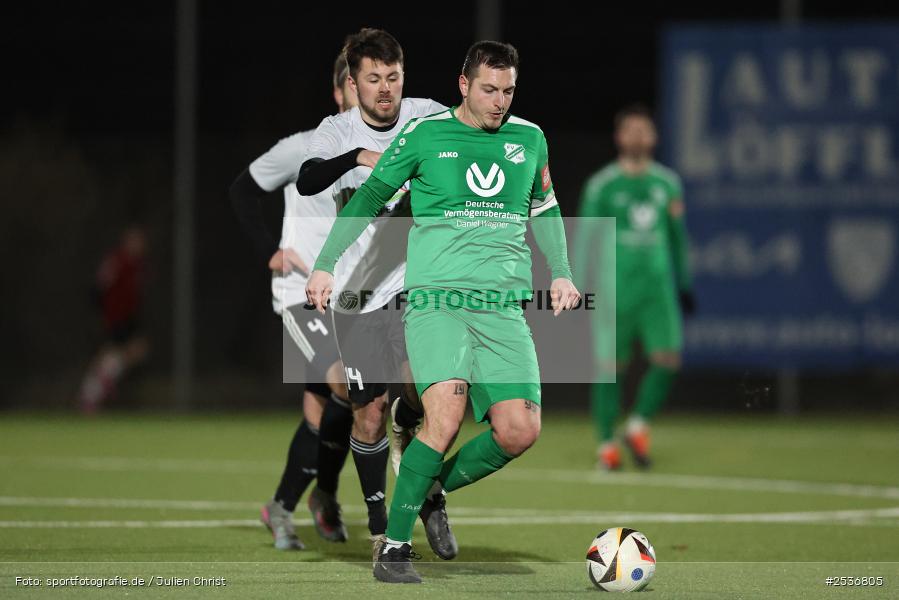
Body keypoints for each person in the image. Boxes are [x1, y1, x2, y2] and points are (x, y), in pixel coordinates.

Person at [306, 40, 580, 584]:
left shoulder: (529, 138)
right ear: (463, 84)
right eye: (488, 90)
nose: (499, 101)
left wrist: (564, 271)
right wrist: (326, 264)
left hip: (503, 309)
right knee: (446, 417)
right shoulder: (427, 135)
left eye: (507, 91)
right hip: (437, 303)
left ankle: (430, 486)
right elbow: (366, 198)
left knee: (519, 430)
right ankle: (394, 549)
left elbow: (545, 208)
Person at [295, 27, 456, 563]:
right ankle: (379, 514)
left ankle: (425, 486)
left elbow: (473, 133)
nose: (385, 88)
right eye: (373, 79)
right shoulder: (336, 130)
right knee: (368, 413)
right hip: (357, 296)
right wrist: (360, 158)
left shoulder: (427, 116)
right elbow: (307, 180)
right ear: (353, 82)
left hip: (419, 287)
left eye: (393, 77)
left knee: (429, 395)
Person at [228, 53, 357, 550]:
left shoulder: (382, 154)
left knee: (323, 411)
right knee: (343, 383)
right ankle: (321, 496)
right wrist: (270, 252)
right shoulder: (302, 148)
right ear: (338, 93)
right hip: (302, 296)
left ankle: (285, 505)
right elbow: (241, 191)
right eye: (352, 83)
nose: (361, 91)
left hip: (353, 296)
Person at [574, 105, 695, 471]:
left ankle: (638, 424)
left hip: (657, 289)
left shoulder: (667, 183)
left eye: (645, 130)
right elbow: (586, 239)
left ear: (654, 138)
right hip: (616, 289)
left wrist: (684, 283)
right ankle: (606, 445)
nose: (639, 137)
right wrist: (576, 283)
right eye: (632, 130)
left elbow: (677, 238)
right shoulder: (602, 185)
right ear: (619, 137)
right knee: (610, 367)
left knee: (668, 360)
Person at [78, 225, 150, 413]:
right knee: (124, 352)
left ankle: (99, 385)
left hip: (127, 317)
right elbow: (99, 286)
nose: (140, 245)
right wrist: (100, 312)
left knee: (124, 353)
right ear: (127, 242)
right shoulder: (117, 261)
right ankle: (93, 393)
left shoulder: (137, 265)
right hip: (114, 316)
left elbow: (134, 296)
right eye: (136, 241)